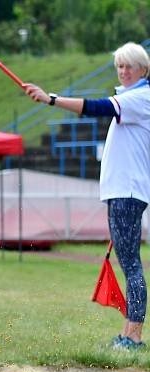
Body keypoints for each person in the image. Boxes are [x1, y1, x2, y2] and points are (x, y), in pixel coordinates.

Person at [25, 42, 150, 350]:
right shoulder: (134, 97)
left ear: (143, 70)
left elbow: (96, 108)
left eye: (129, 66)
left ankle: (133, 336)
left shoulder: (140, 98)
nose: (123, 72)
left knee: (131, 264)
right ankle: (129, 333)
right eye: (119, 66)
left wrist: (50, 99)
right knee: (130, 262)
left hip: (127, 193)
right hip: (125, 192)